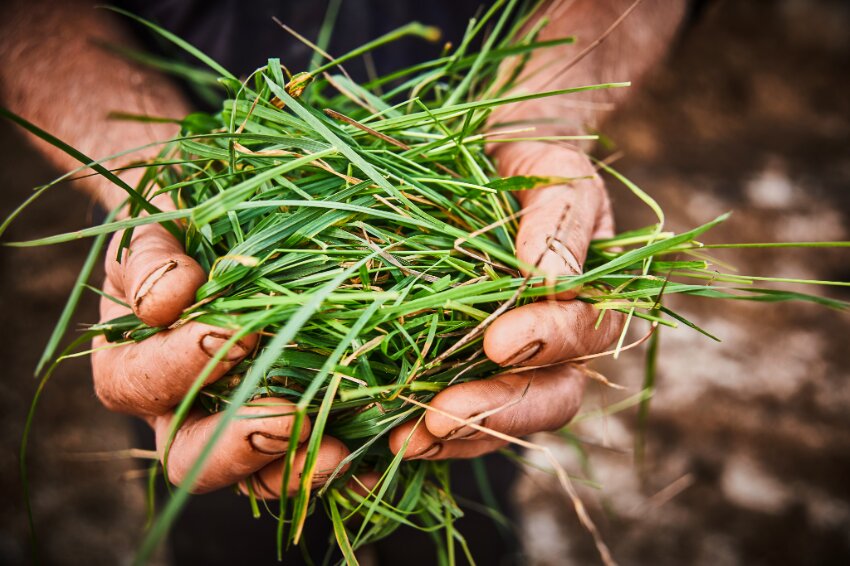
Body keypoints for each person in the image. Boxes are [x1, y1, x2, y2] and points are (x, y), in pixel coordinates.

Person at [0, 0, 687, 562]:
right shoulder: (189, 215)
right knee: (227, 522)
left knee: (463, 496)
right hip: (194, 232)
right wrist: (153, 174)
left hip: (481, 261)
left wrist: (539, 114)